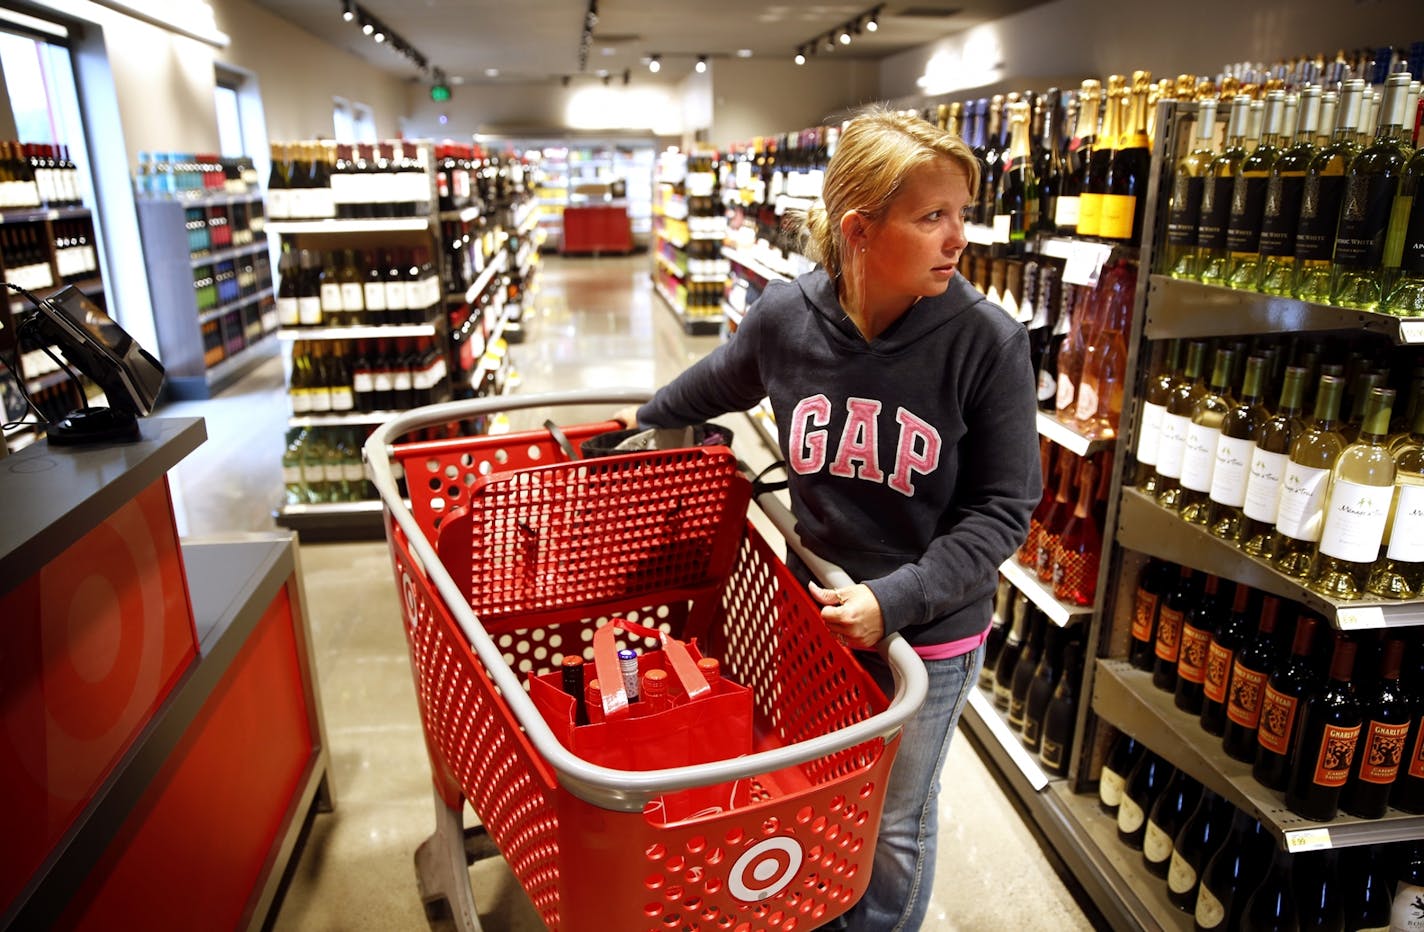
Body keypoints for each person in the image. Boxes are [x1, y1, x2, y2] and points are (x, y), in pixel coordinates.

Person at [620, 106, 1040, 931]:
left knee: (894, 820)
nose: (960, 238)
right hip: (813, 612)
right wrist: (630, 431)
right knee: (817, 788)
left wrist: (898, 599)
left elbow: (1004, 511)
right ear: (858, 228)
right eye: (932, 217)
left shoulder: (986, 342)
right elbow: (707, 387)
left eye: (962, 213)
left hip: (927, 634)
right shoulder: (787, 317)